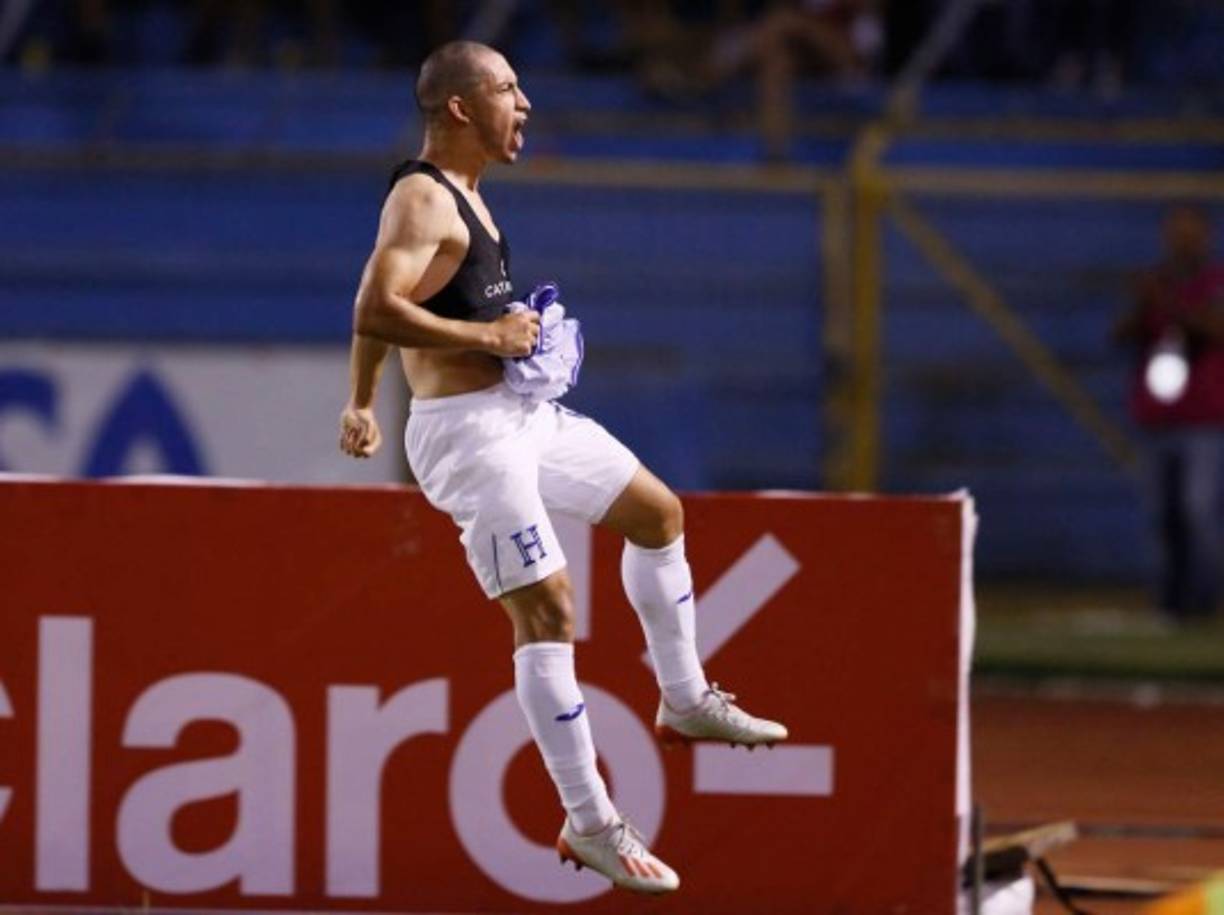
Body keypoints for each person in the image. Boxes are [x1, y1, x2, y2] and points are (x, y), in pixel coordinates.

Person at [337, 40, 787, 895]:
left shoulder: (468, 196)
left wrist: (363, 398)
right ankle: (591, 822)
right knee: (547, 608)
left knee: (658, 515)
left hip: (519, 416)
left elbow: (384, 309)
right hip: (468, 436)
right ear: (460, 107)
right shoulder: (422, 196)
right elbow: (373, 303)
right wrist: (483, 338)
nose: (527, 102)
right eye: (508, 88)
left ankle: (684, 696)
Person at [1114, 204, 1224, 624]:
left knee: (1199, 510)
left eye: (1190, 232)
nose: (1182, 241)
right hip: (1159, 418)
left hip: (1205, 420)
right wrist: (1143, 306)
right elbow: (1120, 335)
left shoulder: (1214, 283)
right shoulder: (1154, 282)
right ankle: (1169, 604)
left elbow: (1215, 328)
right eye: (1175, 232)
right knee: (1161, 515)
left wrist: (1167, 301)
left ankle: (1203, 602)